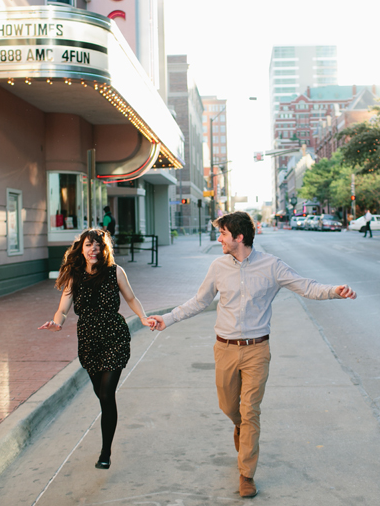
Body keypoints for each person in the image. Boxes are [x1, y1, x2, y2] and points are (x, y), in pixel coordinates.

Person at [148, 211, 356, 498]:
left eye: (222, 234)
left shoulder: (272, 266)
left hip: (257, 349)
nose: (219, 238)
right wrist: (167, 319)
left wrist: (335, 290)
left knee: (251, 411)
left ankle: (246, 474)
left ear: (239, 237)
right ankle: (239, 427)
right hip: (225, 349)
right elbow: (199, 302)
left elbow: (306, 286)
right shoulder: (218, 267)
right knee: (230, 408)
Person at [38, 229, 155, 470]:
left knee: (106, 394)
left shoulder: (115, 272)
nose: (93, 249)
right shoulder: (74, 276)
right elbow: (63, 308)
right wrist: (57, 322)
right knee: (101, 395)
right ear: (81, 248)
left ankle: (105, 452)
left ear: (104, 249)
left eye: (98, 245)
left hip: (114, 337)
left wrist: (142, 318)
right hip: (89, 341)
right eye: (89, 245)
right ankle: (107, 436)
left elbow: (131, 298)